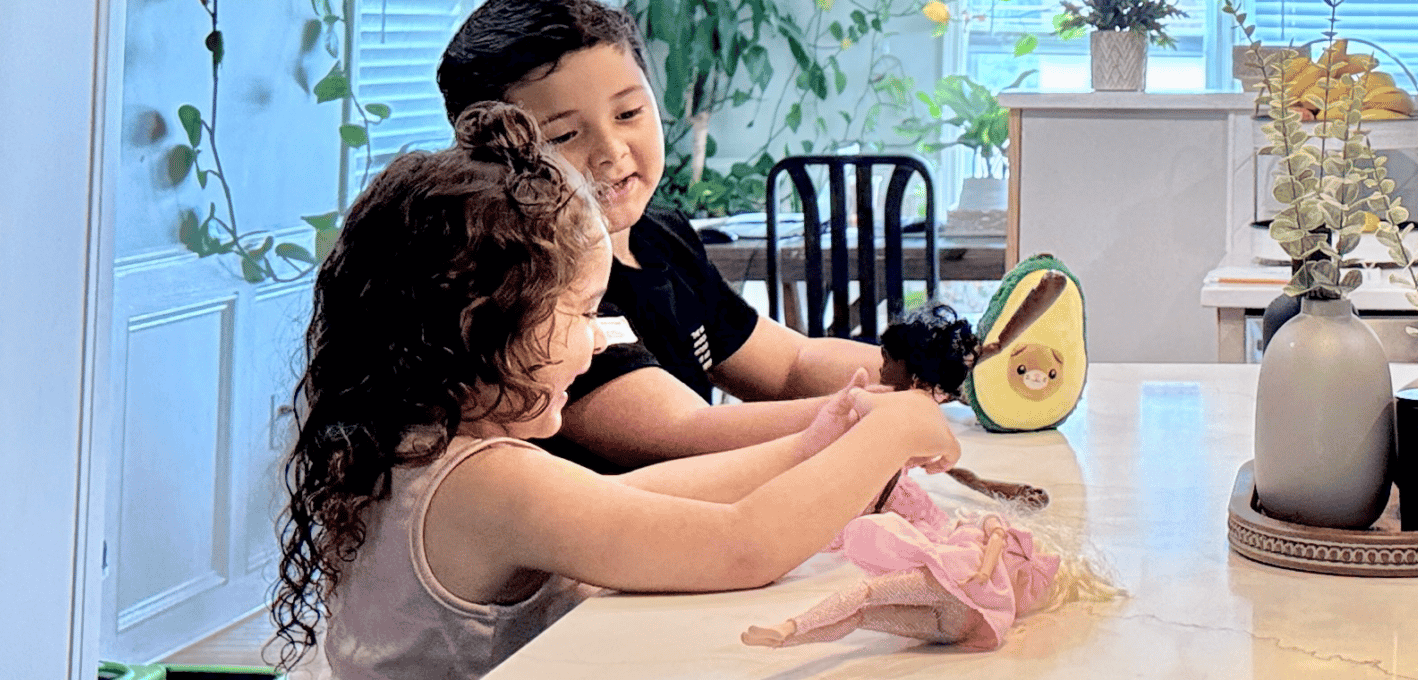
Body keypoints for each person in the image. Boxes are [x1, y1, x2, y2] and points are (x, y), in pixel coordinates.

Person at [272, 102, 960, 680]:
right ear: (482, 325)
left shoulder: (418, 446)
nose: (599, 340)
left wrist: (813, 444)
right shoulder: (486, 483)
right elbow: (742, 546)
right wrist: (891, 432)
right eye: (581, 312)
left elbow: (635, 497)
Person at [436, 0, 886, 468]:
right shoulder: (528, 282)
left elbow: (790, 367)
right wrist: (879, 415)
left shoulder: (662, 237)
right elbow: (682, 431)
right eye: (563, 135)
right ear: (491, 155)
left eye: (628, 113)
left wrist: (924, 371)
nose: (611, 151)